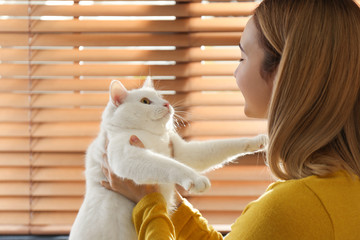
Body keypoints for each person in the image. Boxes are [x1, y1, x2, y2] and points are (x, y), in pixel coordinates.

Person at [100, 0, 360, 239]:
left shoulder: (286, 213)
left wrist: (150, 206)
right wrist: (168, 200)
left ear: (284, 72)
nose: (235, 72)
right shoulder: (341, 191)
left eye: (242, 57)